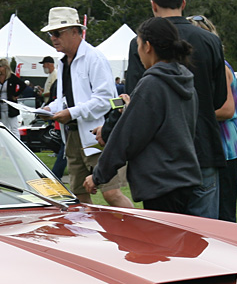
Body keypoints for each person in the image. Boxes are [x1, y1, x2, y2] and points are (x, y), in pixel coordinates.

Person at [123, 0, 227, 218]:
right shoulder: (210, 40)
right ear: (183, 2)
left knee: (165, 243)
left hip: (163, 158)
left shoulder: (141, 43)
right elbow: (219, 97)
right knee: (204, 238)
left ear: (153, 5)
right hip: (203, 148)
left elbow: (137, 102)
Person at [84, 17, 200, 214]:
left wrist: (98, 175)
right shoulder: (185, 82)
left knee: (162, 243)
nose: (137, 52)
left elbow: (127, 137)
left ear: (147, 46)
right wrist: (133, 109)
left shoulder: (152, 84)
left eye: (138, 45)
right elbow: (169, 128)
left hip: (161, 183)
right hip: (184, 178)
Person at [41, 6, 131, 208]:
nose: (53, 38)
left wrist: (70, 112)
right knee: (79, 195)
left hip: (97, 134)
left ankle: (142, 232)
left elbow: (105, 99)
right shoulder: (63, 62)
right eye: (50, 34)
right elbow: (68, 99)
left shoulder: (94, 57)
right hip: (73, 136)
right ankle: (93, 237)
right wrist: (49, 109)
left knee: (111, 193)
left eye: (57, 33)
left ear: (75, 31)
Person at [189, 14, 237, 223]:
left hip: (225, 142)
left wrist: (189, 115)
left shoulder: (221, 67)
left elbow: (227, 110)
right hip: (219, 139)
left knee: (223, 208)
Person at [0, 58, 26, 133]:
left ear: (5, 67)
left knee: (14, 127)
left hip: (10, 105)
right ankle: (3, 144)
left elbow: (23, 85)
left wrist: (15, 95)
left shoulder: (12, 77)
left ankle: (16, 143)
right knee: (3, 127)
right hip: (1, 105)